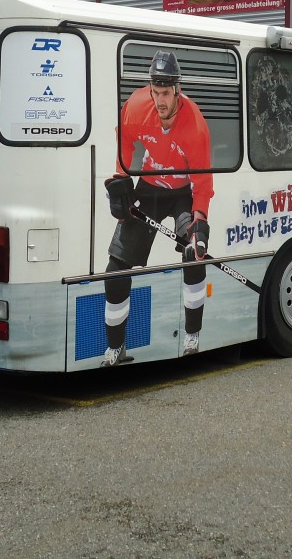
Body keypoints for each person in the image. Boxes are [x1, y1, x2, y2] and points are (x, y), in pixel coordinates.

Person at [101, 50, 213, 366]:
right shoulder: (136, 107)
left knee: (194, 253)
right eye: (156, 91)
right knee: (115, 267)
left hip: (182, 195)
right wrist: (121, 183)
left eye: (166, 92)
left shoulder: (195, 125)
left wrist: (199, 223)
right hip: (149, 188)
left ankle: (192, 337)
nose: (160, 99)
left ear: (177, 90)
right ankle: (115, 350)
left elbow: (203, 184)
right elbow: (124, 144)